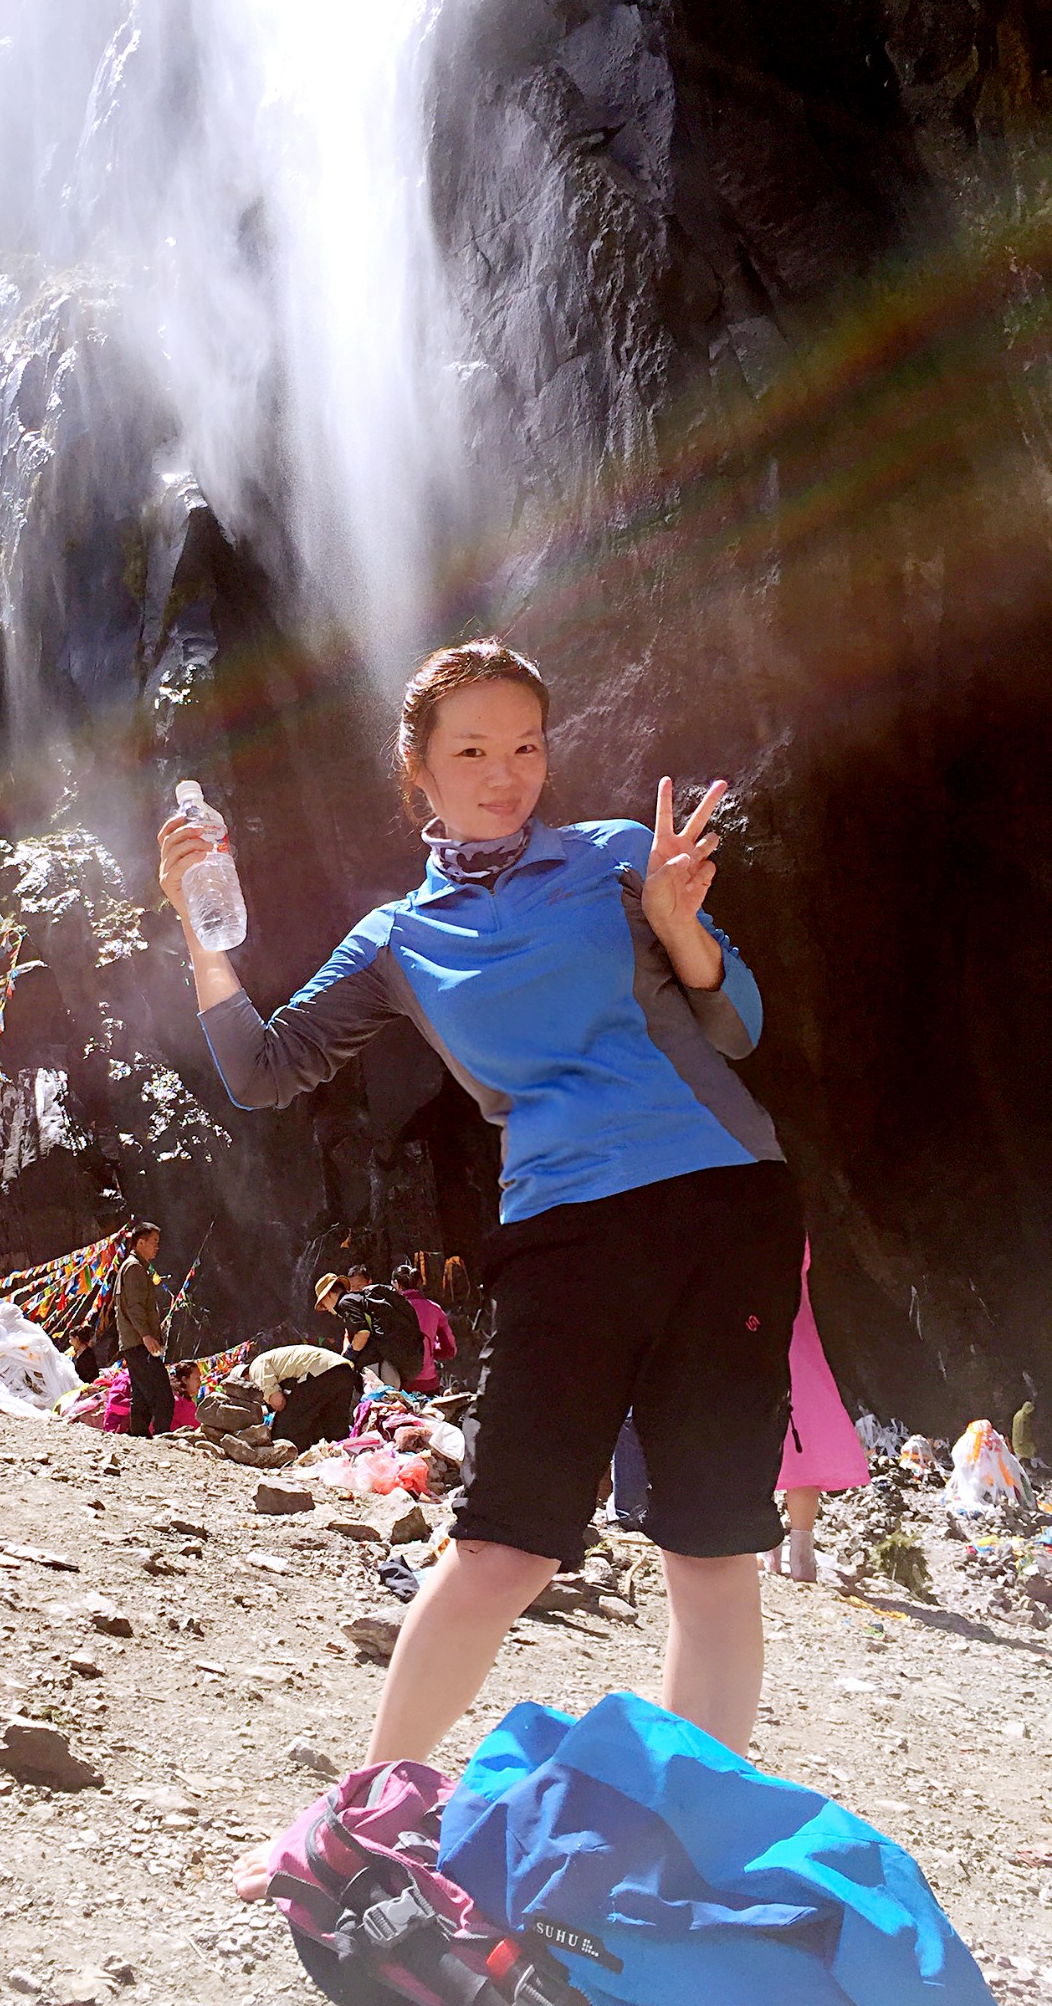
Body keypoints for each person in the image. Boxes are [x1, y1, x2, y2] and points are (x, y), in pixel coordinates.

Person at [159, 638, 803, 1897]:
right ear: (418, 772)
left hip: (727, 1200)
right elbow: (264, 1069)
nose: (507, 775)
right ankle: (358, 1820)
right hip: (564, 1227)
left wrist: (682, 928)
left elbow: (739, 1027)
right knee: (505, 1542)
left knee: (713, 1545)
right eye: (473, 750)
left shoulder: (621, 855)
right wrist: (203, 934)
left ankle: (675, 1862)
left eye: (527, 746)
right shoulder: (399, 936)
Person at [761, 1244, 871, 1583]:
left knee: (758, 1450)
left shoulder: (743, 1232)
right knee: (804, 1453)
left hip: (760, 1345)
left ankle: (767, 1548)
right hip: (803, 1350)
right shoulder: (792, 1234)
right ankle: (801, 1555)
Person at [316, 1270, 422, 1391]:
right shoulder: (357, 1299)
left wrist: (349, 1356)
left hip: (376, 1370)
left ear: (329, 1294)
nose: (325, 1309)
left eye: (323, 1304)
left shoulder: (345, 1303)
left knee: (379, 1406)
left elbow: (363, 1333)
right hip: (388, 1364)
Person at [116, 1222, 173, 1437]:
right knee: (162, 1394)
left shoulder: (135, 1266)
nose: (157, 1247)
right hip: (139, 1342)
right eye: (154, 1242)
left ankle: (138, 1436)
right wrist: (147, 1335)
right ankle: (162, 1436)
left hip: (133, 1341)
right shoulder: (134, 1268)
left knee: (141, 1394)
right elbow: (134, 1306)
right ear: (140, 1242)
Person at [250, 1342, 359, 1452]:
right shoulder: (272, 1359)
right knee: (334, 1424)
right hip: (344, 1370)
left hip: (320, 1371)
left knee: (287, 1425)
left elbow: (278, 1402)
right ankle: (341, 1457)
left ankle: (290, 1459)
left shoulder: (255, 1369)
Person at [392, 1262, 457, 1391]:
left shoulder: (391, 1309)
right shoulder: (435, 1309)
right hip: (428, 1383)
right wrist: (429, 1352)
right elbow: (450, 1350)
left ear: (397, 1284)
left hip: (398, 1383)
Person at [169, 1359, 203, 1431]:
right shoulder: (179, 1403)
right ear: (184, 1380)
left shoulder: (177, 1398)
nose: (200, 1382)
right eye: (197, 1378)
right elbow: (199, 1425)